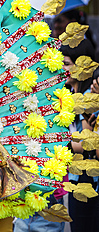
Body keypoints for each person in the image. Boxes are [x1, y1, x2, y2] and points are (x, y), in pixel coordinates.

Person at [60, 40, 99, 232]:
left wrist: (55, 143)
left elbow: (85, 143)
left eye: (66, 63)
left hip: (87, 177)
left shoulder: (87, 97)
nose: (61, 68)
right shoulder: (70, 94)